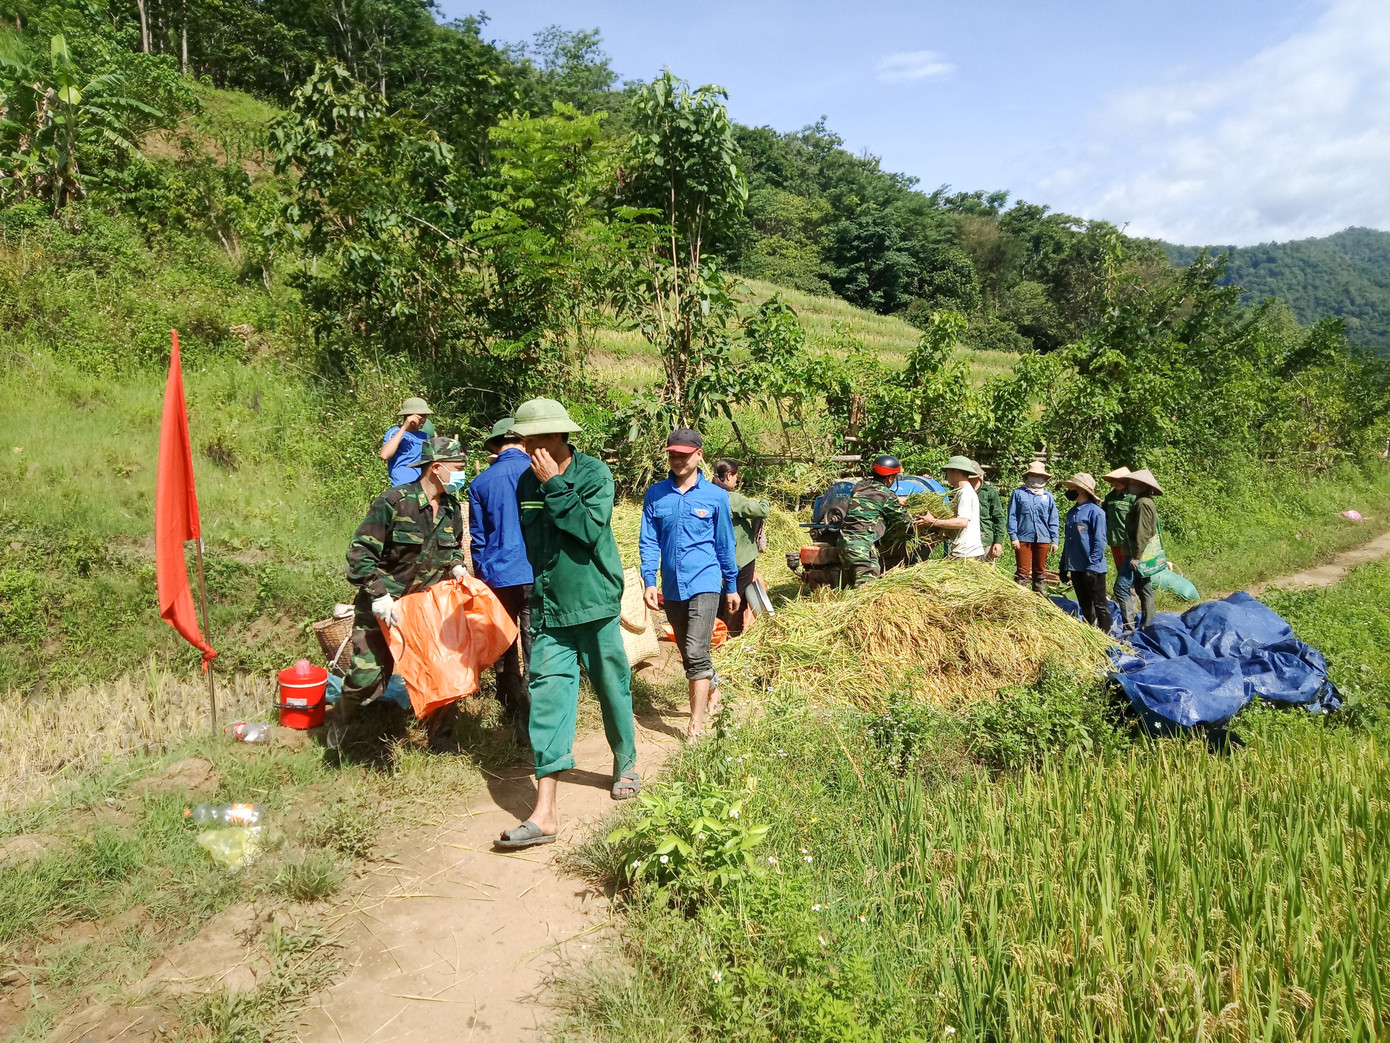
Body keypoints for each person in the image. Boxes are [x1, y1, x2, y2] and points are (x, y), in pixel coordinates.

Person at [497, 399, 638, 850]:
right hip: (549, 608)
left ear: (559, 436)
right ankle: (545, 813)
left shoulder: (595, 474)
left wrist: (555, 485)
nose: (527, 446)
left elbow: (589, 530)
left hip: (595, 604)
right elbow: (534, 543)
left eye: (535, 438)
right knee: (548, 700)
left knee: (611, 686)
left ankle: (626, 761)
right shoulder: (526, 480)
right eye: (524, 438)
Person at [339, 436, 470, 750]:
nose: (462, 474)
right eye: (458, 467)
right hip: (384, 606)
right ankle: (342, 725)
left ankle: (440, 740)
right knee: (367, 677)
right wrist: (379, 595)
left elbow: (453, 548)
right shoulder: (394, 502)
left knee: (443, 670)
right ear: (436, 467)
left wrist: (456, 566)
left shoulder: (451, 508)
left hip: (425, 609)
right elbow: (360, 553)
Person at [640, 431, 740, 741]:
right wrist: (649, 580)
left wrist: (731, 585)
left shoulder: (715, 496)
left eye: (684, 455)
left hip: (706, 581)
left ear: (699, 455)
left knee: (696, 651)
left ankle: (695, 726)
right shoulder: (656, 494)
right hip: (672, 586)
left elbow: (725, 544)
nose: (677, 460)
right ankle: (713, 684)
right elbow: (649, 541)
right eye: (673, 454)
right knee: (687, 652)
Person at [468, 418, 534, 747]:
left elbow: (478, 541)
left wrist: (484, 579)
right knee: (536, 645)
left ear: (495, 447)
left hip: (498, 577)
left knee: (505, 643)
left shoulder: (480, 483)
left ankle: (509, 707)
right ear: (526, 442)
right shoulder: (538, 472)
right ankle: (533, 718)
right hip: (535, 572)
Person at [836, 455, 919, 586]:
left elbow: (872, 498)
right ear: (890, 478)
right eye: (895, 477)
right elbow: (904, 521)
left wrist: (895, 500)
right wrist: (920, 520)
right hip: (862, 548)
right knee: (866, 590)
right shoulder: (887, 495)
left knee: (850, 588)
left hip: (844, 544)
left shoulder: (859, 486)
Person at [711, 459, 770, 638]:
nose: (737, 481)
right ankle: (733, 635)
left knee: (719, 594)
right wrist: (765, 500)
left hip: (715, 556)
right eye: (736, 476)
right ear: (729, 476)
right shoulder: (732, 499)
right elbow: (762, 511)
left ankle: (717, 630)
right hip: (740, 557)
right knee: (739, 596)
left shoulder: (708, 495)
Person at [1058, 473, 1112, 633]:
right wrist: (1063, 566)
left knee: (1100, 604)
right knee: (1084, 604)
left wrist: (1092, 567)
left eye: (1072, 488)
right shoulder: (1072, 512)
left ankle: (1105, 636)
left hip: (1092, 568)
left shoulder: (1096, 512)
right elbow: (1069, 542)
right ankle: (1089, 632)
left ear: (1081, 490)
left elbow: (1100, 541)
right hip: (1076, 566)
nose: (1069, 490)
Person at [1008, 461, 1059, 593]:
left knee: (1040, 571)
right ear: (1028, 476)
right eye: (1033, 475)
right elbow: (1012, 516)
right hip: (1023, 538)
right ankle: (1020, 598)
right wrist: (1013, 536)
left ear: (1044, 478)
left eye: (1039, 476)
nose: (1036, 478)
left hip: (1043, 538)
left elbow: (1053, 519)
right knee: (1022, 572)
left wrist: (1055, 540)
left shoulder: (1048, 497)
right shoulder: (1018, 493)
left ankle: (1038, 596)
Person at [920, 456, 986, 560]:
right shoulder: (961, 492)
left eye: (948, 472)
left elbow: (962, 522)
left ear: (956, 471)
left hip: (965, 553)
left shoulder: (965, 493)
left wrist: (933, 521)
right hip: (965, 552)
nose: (947, 476)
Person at [1124, 468, 1164, 631]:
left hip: (1140, 552)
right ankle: (1147, 623)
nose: (1130, 486)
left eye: (1133, 483)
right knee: (1142, 586)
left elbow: (1143, 532)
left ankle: (1145, 624)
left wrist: (1136, 556)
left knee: (1135, 587)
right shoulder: (1140, 501)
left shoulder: (1143, 503)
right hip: (1140, 551)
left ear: (1142, 485)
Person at [1101, 466, 1137, 626]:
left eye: (1119, 480)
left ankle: (1132, 610)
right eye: (1114, 481)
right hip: (1115, 542)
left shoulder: (1132, 498)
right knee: (1120, 572)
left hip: (1128, 543)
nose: (1116, 483)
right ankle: (1124, 606)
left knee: (1128, 577)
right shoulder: (1109, 498)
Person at [379, 397, 439, 487]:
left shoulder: (424, 436)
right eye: (420, 416)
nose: (423, 419)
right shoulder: (395, 432)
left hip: (421, 485)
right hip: (402, 486)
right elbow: (384, 455)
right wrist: (404, 427)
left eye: (425, 416)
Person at [970, 461, 1007, 563]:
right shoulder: (961, 492)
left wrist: (998, 542)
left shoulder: (989, 492)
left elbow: (999, 518)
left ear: (978, 477)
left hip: (985, 542)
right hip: (967, 543)